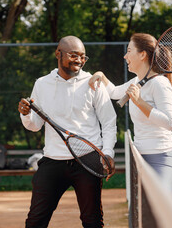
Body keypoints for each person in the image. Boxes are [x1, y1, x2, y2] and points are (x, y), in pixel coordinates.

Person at [18, 35, 117, 228]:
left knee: (92, 221)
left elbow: (109, 122)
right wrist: (25, 114)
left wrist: (107, 153)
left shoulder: (93, 83)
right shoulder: (41, 84)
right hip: (52, 161)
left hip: (87, 160)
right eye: (73, 55)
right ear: (58, 54)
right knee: (35, 221)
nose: (79, 60)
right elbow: (34, 125)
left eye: (83, 56)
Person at [89, 33, 172, 191]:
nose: (125, 56)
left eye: (129, 51)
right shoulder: (136, 82)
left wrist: (139, 101)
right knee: (143, 212)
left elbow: (169, 123)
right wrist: (101, 76)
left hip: (161, 157)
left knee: (158, 208)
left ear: (142, 54)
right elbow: (114, 92)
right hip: (139, 158)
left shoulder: (160, 83)